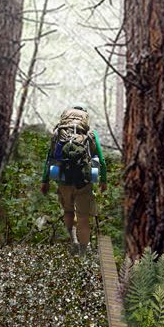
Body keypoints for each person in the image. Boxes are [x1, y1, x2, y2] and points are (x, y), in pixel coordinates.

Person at [39, 104, 108, 253]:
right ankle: (83, 253)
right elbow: (101, 160)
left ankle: (73, 241)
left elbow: (50, 159)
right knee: (83, 217)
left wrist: (45, 181)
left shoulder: (58, 134)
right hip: (83, 182)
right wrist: (103, 180)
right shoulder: (90, 135)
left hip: (63, 180)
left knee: (68, 211)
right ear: (84, 119)